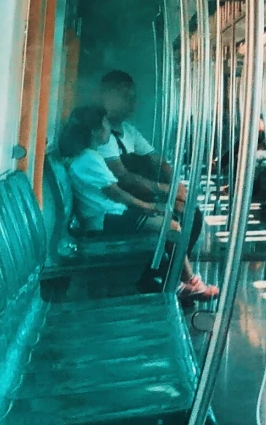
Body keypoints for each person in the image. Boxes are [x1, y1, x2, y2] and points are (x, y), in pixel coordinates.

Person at [58, 106, 217, 301]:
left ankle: (177, 281)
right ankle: (188, 283)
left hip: (108, 215)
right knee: (171, 227)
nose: (108, 130)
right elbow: (117, 194)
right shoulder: (89, 159)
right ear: (95, 132)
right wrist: (147, 207)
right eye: (106, 126)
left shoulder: (87, 157)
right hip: (105, 219)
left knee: (168, 221)